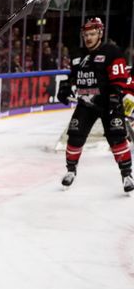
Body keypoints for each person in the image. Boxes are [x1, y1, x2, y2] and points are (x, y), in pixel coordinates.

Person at [56, 17, 134, 192]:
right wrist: (66, 87)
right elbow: (73, 77)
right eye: (86, 34)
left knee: (117, 137)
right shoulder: (78, 54)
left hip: (108, 104)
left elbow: (119, 77)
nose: (88, 38)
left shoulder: (111, 52)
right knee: (75, 136)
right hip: (86, 103)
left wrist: (115, 96)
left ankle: (127, 174)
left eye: (92, 34)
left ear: (100, 33)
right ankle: (71, 171)